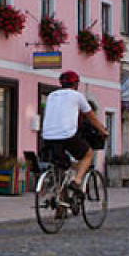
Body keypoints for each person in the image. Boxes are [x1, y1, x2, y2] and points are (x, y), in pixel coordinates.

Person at [40, 72, 106, 206]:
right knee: (87, 154)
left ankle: (60, 204)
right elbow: (91, 116)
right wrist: (103, 130)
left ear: (61, 83)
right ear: (76, 84)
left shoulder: (52, 95)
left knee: (62, 165)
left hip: (48, 136)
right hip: (67, 135)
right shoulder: (77, 96)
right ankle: (76, 181)